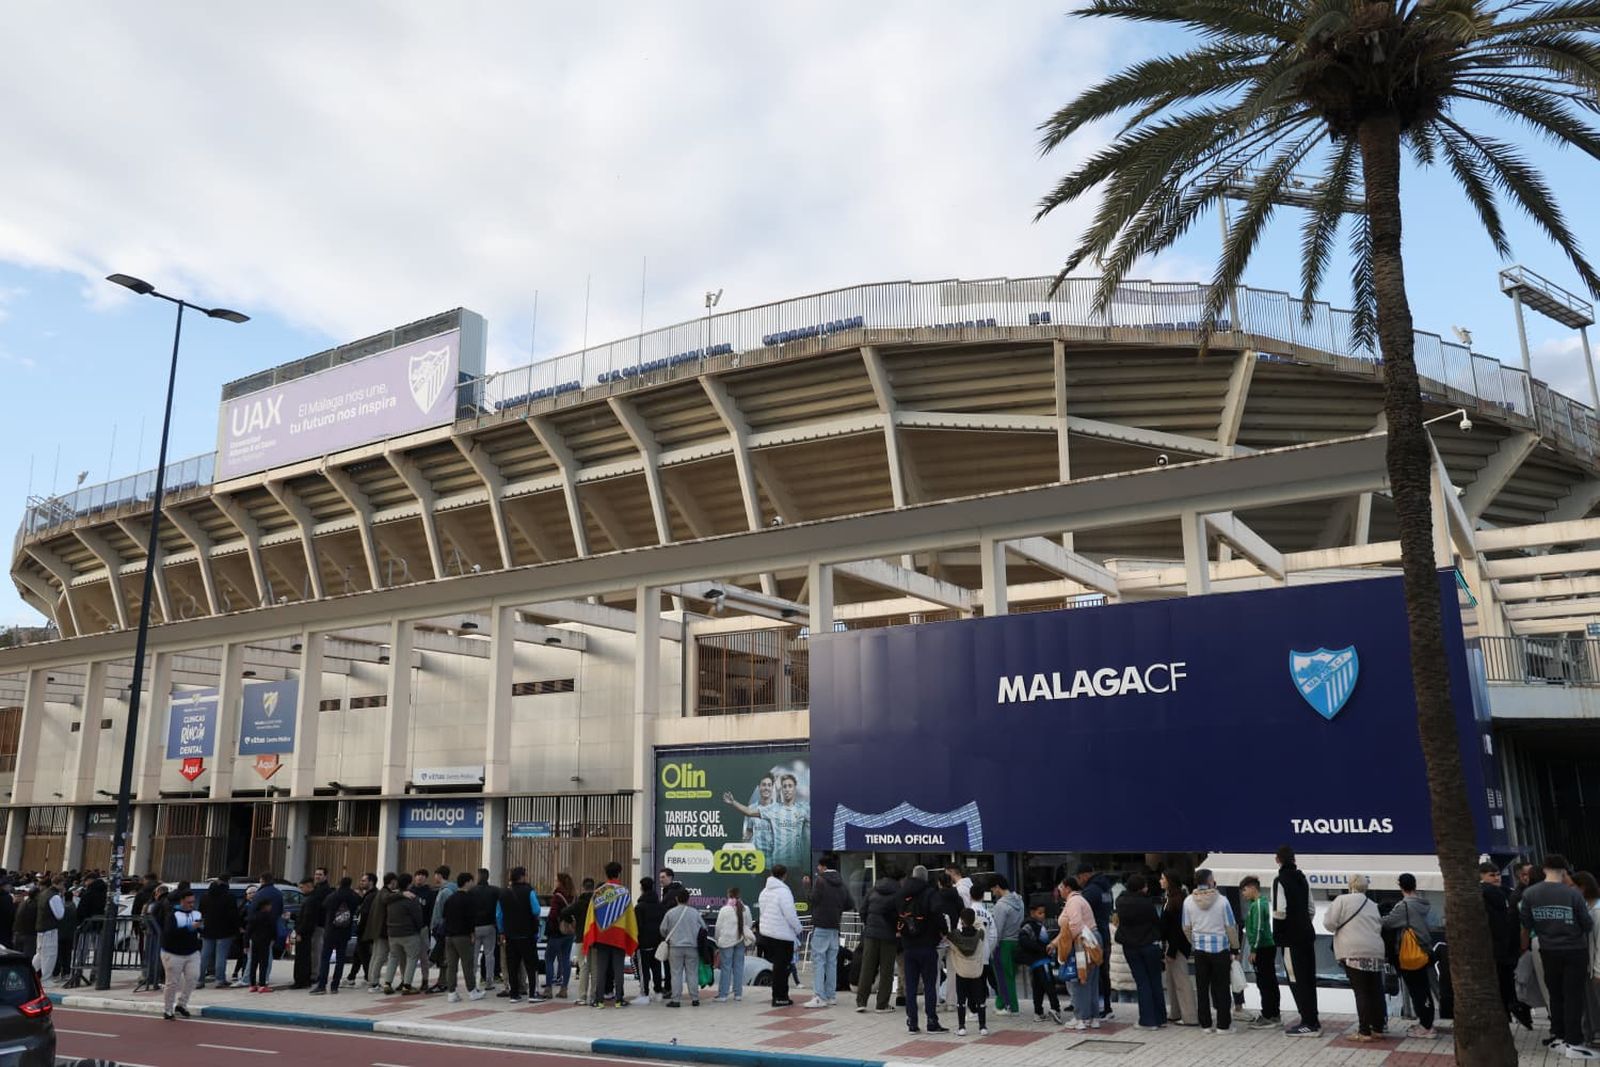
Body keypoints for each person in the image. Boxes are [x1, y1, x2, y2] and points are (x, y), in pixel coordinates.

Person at [1520, 853, 1596, 1058]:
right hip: (1574, 950)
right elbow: (1587, 924)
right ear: (1564, 872)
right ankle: (1574, 1041)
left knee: (1555, 994)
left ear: (1544, 869)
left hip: (1548, 950)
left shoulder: (1530, 894)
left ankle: (1559, 1036)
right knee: (1573, 996)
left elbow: (1526, 925)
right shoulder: (1572, 894)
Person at [1322, 873, 1385, 1041]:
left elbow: (1329, 924)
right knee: (1375, 990)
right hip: (1375, 951)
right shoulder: (1372, 904)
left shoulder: (1342, 900)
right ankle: (1378, 1028)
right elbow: (1379, 925)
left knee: (1361, 992)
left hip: (1353, 951)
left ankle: (1364, 1031)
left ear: (1350, 885)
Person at [1181, 869, 1238, 1035]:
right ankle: (1223, 1025)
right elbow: (1230, 926)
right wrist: (1234, 947)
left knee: (1202, 987)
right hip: (1220, 949)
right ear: (1210, 881)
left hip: (1200, 950)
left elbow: (1186, 927)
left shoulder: (1188, 901)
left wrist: (1195, 941)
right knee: (1221, 987)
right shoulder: (1222, 901)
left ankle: (1205, 1024)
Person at [1382, 873, 1438, 1040]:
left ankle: (1426, 1027)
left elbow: (1388, 922)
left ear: (1401, 886)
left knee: (1416, 991)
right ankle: (1427, 1022)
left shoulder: (1404, 907)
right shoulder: (1424, 904)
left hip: (1411, 955)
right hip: (1425, 951)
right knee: (1425, 989)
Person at [1272, 846, 1320, 1036]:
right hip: (1307, 936)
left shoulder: (1280, 880)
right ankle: (1313, 1019)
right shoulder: (1302, 878)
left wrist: (1279, 937)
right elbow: (1311, 908)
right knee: (1309, 977)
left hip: (1290, 940)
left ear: (1278, 860)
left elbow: (1279, 911)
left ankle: (1307, 1021)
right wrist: (1304, 924)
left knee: (1296, 979)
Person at [1480, 861, 1533, 1030]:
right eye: (1492, 875)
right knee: (1508, 984)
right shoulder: (1504, 893)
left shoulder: (1498, 893)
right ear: (1482, 876)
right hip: (1506, 945)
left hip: (1499, 946)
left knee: (1503, 984)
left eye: (1497, 874)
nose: (1496, 878)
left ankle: (1508, 1013)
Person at [896, 865, 946, 1034]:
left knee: (910, 986)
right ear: (926, 878)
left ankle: (912, 1022)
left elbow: (894, 913)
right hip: (927, 945)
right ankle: (931, 1021)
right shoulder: (930, 893)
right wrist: (943, 932)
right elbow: (938, 913)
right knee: (929, 985)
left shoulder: (903, 893)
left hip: (908, 946)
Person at [582, 861, 638, 1009]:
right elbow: (630, 915)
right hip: (618, 936)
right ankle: (619, 999)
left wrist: (591, 935)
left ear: (606, 874)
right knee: (618, 969)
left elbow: (591, 916)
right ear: (619, 873)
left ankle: (599, 1000)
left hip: (601, 936)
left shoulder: (598, 892)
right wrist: (630, 933)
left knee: (601, 969)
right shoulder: (624, 892)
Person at [1115, 872, 1167, 1031]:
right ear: (1140, 888)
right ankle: (1159, 1018)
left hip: (1130, 946)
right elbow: (1156, 922)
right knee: (1155, 981)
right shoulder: (1147, 903)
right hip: (1149, 945)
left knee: (1142, 981)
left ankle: (1147, 1020)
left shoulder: (1120, 901)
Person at [1057, 877, 1100, 1032]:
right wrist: (1056, 942)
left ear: (1068, 888)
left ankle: (1081, 1018)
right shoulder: (1079, 900)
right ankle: (1093, 1017)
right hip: (1091, 939)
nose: (1059, 890)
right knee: (1091, 982)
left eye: (1061, 887)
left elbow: (1075, 924)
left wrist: (1067, 946)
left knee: (1080, 980)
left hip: (1081, 942)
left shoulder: (1073, 901)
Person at [758, 864, 804, 1008]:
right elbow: (790, 914)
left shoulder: (764, 891)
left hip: (767, 934)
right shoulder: (784, 892)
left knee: (777, 967)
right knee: (782, 968)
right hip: (782, 935)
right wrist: (798, 928)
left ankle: (777, 995)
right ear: (784, 875)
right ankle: (780, 997)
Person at [855, 869, 901, 1014]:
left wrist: (868, 925)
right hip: (889, 936)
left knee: (867, 968)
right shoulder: (898, 893)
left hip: (870, 935)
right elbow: (900, 915)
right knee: (886, 971)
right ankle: (882, 1004)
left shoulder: (872, 891)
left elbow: (862, 910)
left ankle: (861, 1002)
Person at [807, 853, 849, 1009]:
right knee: (832, 962)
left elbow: (813, 899)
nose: (817, 869)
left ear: (824, 867)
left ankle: (819, 996)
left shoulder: (821, 881)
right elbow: (849, 902)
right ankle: (831, 996)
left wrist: (806, 887)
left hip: (821, 925)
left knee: (819, 961)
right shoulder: (841, 883)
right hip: (835, 926)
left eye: (819, 866)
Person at [497, 866, 542, 1002]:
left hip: (510, 935)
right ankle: (533, 994)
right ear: (522, 876)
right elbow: (536, 910)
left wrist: (502, 931)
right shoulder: (529, 891)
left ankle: (514, 994)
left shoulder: (503, 893)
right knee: (531, 964)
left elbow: (499, 915)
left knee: (512, 965)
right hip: (527, 934)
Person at [1159, 870, 1197, 1026]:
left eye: (1162, 878)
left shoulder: (1177, 900)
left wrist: (1172, 950)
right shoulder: (1169, 899)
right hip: (1171, 944)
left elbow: (1177, 929)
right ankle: (1175, 1012)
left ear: (1169, 881)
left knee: (1181, 981)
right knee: (1171, 981)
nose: (1160, 881)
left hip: (1177, 945)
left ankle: (1190, 1016)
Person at [159, 887, 203, 1020]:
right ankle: (168, 1010)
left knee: (193, 977)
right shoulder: (173, 915)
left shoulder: (196, 914)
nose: (191, 904)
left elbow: (201, 930)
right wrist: (189, 928)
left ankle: (182, 1004)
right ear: (182, 901)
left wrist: (202, 928)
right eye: (189, 902)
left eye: (193, 902)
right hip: (173, 952)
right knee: (172, 983)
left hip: (192, 951)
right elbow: (169, 933)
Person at [313, 875, 360, 995]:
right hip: (345, 931)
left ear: (339, 883)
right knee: (340, 959)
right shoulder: (353, 896)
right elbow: (359, 904)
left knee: (325, 958)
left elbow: (324, 906)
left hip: (331, 930)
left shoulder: (333, 895)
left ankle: (322, 985)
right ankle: (335, 986)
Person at [1078, 863, 1114, 1018]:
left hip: (1092, 937)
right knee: (1104, 972)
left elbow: (1081, 911)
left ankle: (1096, 1007)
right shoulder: (1106, 889)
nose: (1079, 881)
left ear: (1085, 875)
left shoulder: (1091, 891)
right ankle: (1106, 1006)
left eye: (1079, 878)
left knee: (1093, 973)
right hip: (1105, 934)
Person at [659, 886, 705, 1008]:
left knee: (676, 973)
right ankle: (695, 998)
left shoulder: (670, 913)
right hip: (692, 947)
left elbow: (663, 929)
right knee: (692, 973)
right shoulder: (695, 913)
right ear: (688, 899)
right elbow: (704, 927)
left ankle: (676, 1000)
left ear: (676, 899)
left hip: (675, 947)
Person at [1019, 901, 1063, 1024]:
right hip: (1042, 961)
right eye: (1040, 913)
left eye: (1043, 913)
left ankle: (1038, 1012)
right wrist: (1041, 948)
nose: (1042, 915)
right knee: (1049, 986)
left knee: (1038, 988)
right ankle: (1055, 1009)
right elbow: (1023, 940)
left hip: (1034, 963)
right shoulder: (1031, 926)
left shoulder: (1036, 925)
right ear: (1032, 913)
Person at [947, 907, 989, 1037]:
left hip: (961, 973)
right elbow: (981, 926)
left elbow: (947, 938)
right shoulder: (980, 935)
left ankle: (961, 1027)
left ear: (961, 920)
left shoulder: (955, 937)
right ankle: (982, 1027)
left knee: (961, 1000)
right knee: (980, 1000)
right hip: (976, 973)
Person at [441, 872, 482, 1003]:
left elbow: (444, 916)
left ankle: (451, 993)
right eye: (472, 881)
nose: (473, 883)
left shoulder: (450, 899)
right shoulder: (469, 899)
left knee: (452, 965)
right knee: (467, 964)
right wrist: (472, 933)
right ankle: (472, 991)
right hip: (463, 936)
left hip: (449, 936)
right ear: (467, 882)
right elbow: (471, 919)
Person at [383, 874, 427, 994]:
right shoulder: (412, 898)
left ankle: (387, 983)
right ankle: (407, 985)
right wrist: (419, 929)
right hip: (409, 933)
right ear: (409, 884)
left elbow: (384, 899)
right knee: (412, 958)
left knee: (393, 957)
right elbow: (418, 917)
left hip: (392, 932)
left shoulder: (391, 898)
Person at [989, 875, 1023, 1016]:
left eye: (992, 889)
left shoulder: (1000, 905)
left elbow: (997, 929)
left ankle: (1011, 1006)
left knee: (1003, 976)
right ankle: (1000, 1003)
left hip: (1003, 944)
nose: (992, 892)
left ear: (997, 887)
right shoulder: (1019, 901)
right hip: (1016, 942)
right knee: (1010, 975)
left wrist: (992, 947)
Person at [196, 880, 238, 990]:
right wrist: (236, 929)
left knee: (204, 956)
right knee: (221, 956)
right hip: (225, 931)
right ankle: (219, 980)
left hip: (208, 930)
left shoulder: (205, 897)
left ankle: (199, 980)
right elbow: (233, 915)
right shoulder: (229, 897)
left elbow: (200, 913)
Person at [714, 886, 753, 1003]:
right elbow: (749, 924)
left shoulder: (724, 910)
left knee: (726, 968)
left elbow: (718, 927)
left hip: (726, 942)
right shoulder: (745, 908)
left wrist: (717, 940)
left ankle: (723, 994)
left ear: (728, 895)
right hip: (740, 940)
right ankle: (738, 994)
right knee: (739, 967)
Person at [1574, 871, 1599, 1052]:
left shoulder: (1596, 911)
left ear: (1582, 887)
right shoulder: (1588, 908)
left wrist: (1597, 971)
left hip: (1596, 969)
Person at [633, 876, 666, 1003]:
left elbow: (637, 926)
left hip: (643, 943)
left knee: (643, 969)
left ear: (642, 888)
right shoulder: (660, 906)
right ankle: (658, 992)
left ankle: (644, 993)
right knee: (656, 967)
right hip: (657, 941)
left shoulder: (639, 907)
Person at [564, 878, 595, 1004]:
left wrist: (572, 923)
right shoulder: (598, 902)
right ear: (593, 888)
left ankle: (582, 996)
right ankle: (594, 996)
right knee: (595, 968)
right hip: (595, 938)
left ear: (583, 888)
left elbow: (564, 912)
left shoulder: (579, 903)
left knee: (583, 967)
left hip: (581, 938)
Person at [544, 872, 575, 999]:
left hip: (557, 932)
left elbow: (553, 914)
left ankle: (548, 989)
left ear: (560, 882)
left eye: (556, 880)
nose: (555, 882)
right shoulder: (573, 896)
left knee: (549, 959)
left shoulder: (557, 896)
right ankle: (564, 989)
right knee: (565, 959)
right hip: (569, 932)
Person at [363, 874, 396, 994]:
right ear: (392, 882)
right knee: (380, 957)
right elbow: (387, 899)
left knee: (376, 956)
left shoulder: (380, 892)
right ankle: (374, 982)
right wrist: (401, 894)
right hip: (382, 931)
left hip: (377, 930)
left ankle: (372, 979)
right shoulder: (384, 893)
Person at [469, 869, 500, 993]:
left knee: (474, 955)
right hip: (489, 926)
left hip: (474, 927)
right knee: (489, 954)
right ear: (487, 877)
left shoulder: (471, 891)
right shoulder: (494, 890)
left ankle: (472, 982)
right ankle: (489, 981)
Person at [426, 865, 455, 993]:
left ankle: (444, 982)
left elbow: (445, 911)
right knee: (443, 956)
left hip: (443, 929)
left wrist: (438, 925)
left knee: (443, 956)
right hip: (442, 928)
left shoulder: (446, 891)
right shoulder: (445, 890)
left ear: (439, 875)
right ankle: (443, 981)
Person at [290, 877, 321, 989]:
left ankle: (301, 980)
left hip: (304, 933)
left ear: (309, 886)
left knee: (301, 958)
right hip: (306, 931)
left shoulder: (310, 900)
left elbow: (307, 918)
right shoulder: (310, 899)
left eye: (302, 887)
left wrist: (300, 932)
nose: (301, 890)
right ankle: (304, 980)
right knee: (304, 957)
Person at [33, 876, 64, 983]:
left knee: (40, 954)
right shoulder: (55, 896)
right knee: (49, 955)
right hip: (50, 929)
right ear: (59, 884)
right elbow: (60, 915)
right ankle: (46, 979)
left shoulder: (43, 894)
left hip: (40, 928)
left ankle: (30, 972)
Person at [246, 896, 277, 992]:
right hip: (265, 942)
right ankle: (262, 984)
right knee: (264, 963)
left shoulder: (253, 916)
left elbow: (248, 931)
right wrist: (274, 939)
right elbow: (273, 929)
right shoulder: (269, 916)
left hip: (254, 941)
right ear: (266, 906)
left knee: (253, 963)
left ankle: (252, 984)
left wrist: (245, 944)